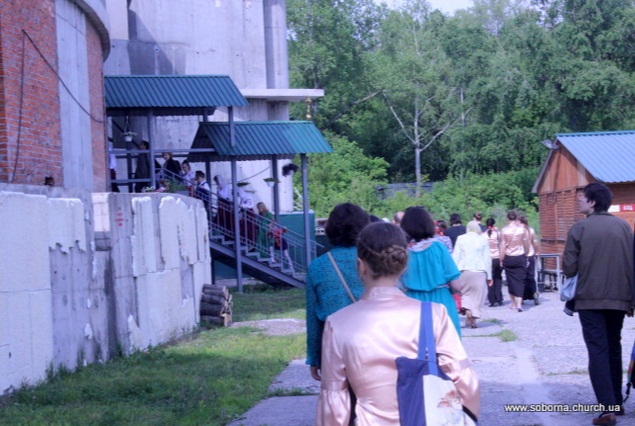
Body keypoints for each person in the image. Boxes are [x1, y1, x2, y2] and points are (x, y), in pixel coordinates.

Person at [317, 221, 480, 425]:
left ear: (361, 265)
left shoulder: (337, 323)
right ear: (403, 264)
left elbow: (334, 399)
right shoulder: (433, 314)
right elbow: (464, 379)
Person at [563, 183, 633, 425]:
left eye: (582, 198)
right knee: (614, 346)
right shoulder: (623, 226)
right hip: (620, 298)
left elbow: (569, 268)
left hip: (589, 299)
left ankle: (607, 409)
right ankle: (616, 403)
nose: (578, 201)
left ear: (592, 202)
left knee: (598, 350)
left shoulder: (579, 228)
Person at [305, 203, 370, 383]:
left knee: (339, 397)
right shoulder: (373, 260)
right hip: (372, 340)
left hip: (335, 345)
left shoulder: (317, 267)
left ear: (330, 229)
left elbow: (313, 317)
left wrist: (314, 357)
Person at [400, 206, 462, 336]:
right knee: (445, 343)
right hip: (440, 300)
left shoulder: (401, 252)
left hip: (411, 302)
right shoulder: (438, 248)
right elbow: (456, 285)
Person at [452, 221, 491, 328]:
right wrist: (489, 276)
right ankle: (474, 317)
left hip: (464, 270)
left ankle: (468, 310)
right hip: (479, 271)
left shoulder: (460, 238)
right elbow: (487, 259)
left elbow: (456, 256)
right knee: (477, 296)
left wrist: (453, 273)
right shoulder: (483, 240)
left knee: (465, 294)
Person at [501, 210, 530, 312]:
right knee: (520, 280)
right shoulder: (522, 230)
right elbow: (526, 243)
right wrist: (527, 253)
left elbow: (503, 246)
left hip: (509, 257)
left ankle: (513, 303)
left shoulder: (504, 230)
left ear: (508, 218)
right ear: (516, 218)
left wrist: (501, 258)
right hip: (520, 256)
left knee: (510, 280)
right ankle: (519, 304)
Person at [519, 214, 540, 306]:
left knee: (521, 277)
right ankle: (534, 293)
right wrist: (537, 252)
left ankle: (521, 297)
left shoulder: (518, 231)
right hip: (531, 255)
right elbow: (535, 242)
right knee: (531, 277)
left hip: (520, 255)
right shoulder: (530, 230)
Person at [484, 218, 504, 307]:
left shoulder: (483, 235)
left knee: (489, 279)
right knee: (498, 279)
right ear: (494, 225)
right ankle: (499, 298)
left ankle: (492, 300)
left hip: (488, 259)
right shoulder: (497, 234)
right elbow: (501, 245)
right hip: (497, 258)